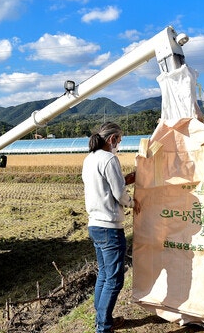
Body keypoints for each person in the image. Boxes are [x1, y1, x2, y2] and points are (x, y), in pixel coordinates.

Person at [82, 122, 137, 333]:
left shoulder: (89, 159)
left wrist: (125, 180)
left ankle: (102, 319)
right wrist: (133, 202)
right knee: (114, 280)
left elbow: (102, 187)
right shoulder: (109, 158)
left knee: (104, 275)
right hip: (110, 227)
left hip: (95, 225)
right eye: (119, 141)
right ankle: (103, 327)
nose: (119, 146)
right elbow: (119, 195)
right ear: (112, 139)